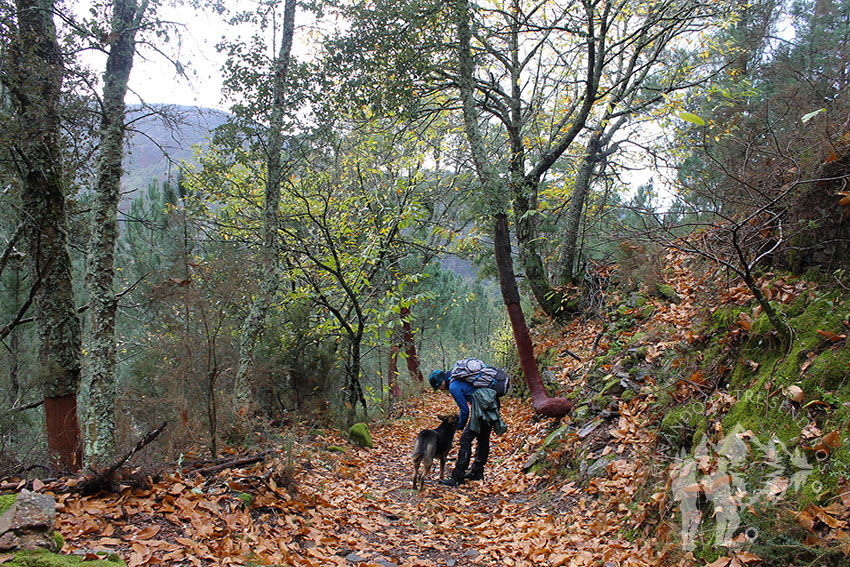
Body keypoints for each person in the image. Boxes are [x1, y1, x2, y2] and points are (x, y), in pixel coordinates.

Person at [429, 367, 497, 486]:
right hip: (491, 403)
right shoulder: (456, 379)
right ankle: (477, 472)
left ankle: (457, 477)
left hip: (482, 408)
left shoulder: (454, 386)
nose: (440, 390)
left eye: (438, 387)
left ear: (441, 382)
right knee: (483, 438)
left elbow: (464, 411)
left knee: (465, 439)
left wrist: (459, 427)